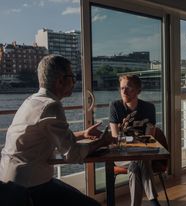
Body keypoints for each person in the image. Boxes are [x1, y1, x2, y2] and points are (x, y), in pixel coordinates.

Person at [0, 54, 113, 206]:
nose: (75, 81)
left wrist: (83, 134)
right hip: (29, 187)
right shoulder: (51, 105)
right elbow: (72, 154)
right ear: (60, 80)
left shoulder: (31, 101)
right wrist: (102, 142)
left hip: (9, 182)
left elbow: (48, 136)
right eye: (73, 77)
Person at [109, 74, 160, 206]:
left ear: (138, 90)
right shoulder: (115, 106)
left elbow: (149, 139)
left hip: (142, 153)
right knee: (139, 161)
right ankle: (154, 201)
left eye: (128, 88)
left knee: (134, 166)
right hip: (121, 155)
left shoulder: (149, 108)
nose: (124, 91)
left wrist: (130, 140)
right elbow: (116, 139)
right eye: (121, 88)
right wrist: (138, 141)